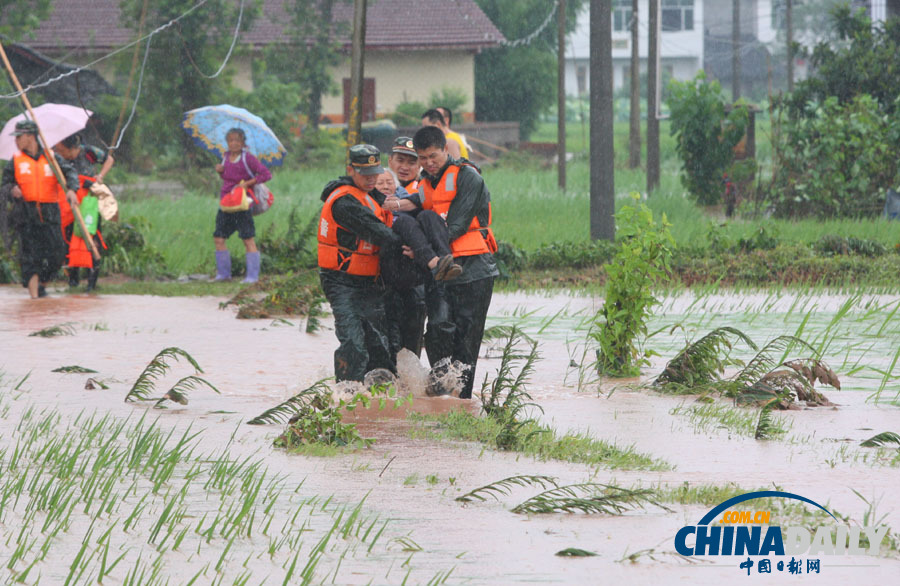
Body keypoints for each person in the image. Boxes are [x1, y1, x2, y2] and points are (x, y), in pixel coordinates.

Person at [412, 126, 498, 398]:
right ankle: (440, 393)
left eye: (433, 156)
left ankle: (461, 403)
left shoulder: (468, 177)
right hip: (442, 268)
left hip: (474, 267)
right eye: (422, 158)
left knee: (467, 340)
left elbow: (456, 225)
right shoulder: (423, 185)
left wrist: (420, 250)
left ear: (445, 150)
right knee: (437, 327)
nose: (429, 163)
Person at [0, 120, 79, 298]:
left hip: (49, 212)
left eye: (19, 137)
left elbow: (70, 172)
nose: (17, 141)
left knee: (57, 255)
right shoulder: (15, 161)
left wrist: (72, 190)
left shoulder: (52, 158)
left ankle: (41, 285)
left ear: (30, 136)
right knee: (30, 258)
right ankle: (34, 299)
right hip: (26, 214)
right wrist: (12, 189)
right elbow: (4, 184)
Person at [53, 133, 114, 291]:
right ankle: (73, 280)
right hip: (70, 203)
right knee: (70, 237)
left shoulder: (88, 151)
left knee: (91, 236)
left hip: (89, 202)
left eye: (60, 149)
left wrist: (100, 176)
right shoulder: (59, 159)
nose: (57, 152)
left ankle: (92, 281)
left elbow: (109, 159)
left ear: (71, 148)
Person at [213, 127, 271, 283]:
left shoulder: (248, 158)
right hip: (226, 203)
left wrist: (247, 184)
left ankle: (252, 277)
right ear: (227, 142)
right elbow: (227, 178)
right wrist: (220, 171)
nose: (234, 143)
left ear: (243, 143)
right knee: (218, 237)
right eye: (231, 140)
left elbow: (266, 174)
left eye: (237, 140)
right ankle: (223, 274)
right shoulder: (225, 157)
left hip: (244, 204)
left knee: (247, 239)